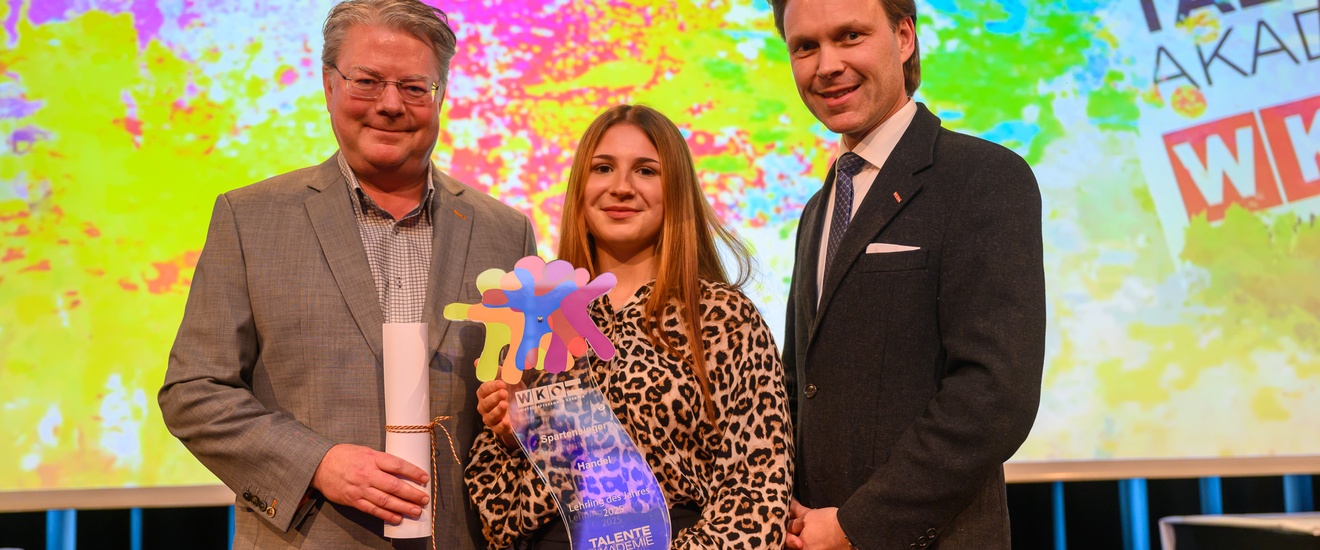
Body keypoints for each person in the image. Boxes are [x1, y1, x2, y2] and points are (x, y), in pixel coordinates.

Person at [157, 1, 534, 547]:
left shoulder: (506, 232)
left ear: (441, 96)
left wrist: (522, 409)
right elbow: (193, 391)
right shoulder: (251, 218)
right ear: (329, 86)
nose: (388, 104)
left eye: (413, 87)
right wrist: (318, 463)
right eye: (367, 81)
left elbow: (531, 396)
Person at [769, 0, 1047, 548]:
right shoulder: (817, 210)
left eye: (849, 36)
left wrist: (856, 526)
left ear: (903, 38)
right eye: (805, 46)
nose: (825, 64)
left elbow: (994, 395)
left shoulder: (984, 178)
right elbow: (802, 388)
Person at [463, 104, 794, 549]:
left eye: (645, 171)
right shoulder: (535, 318)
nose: (621, 187)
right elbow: (496, 512)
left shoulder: (725, 318)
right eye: (603, 168)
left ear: (674, 189)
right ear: (581, 186)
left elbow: (757, 494)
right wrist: (510, 436)